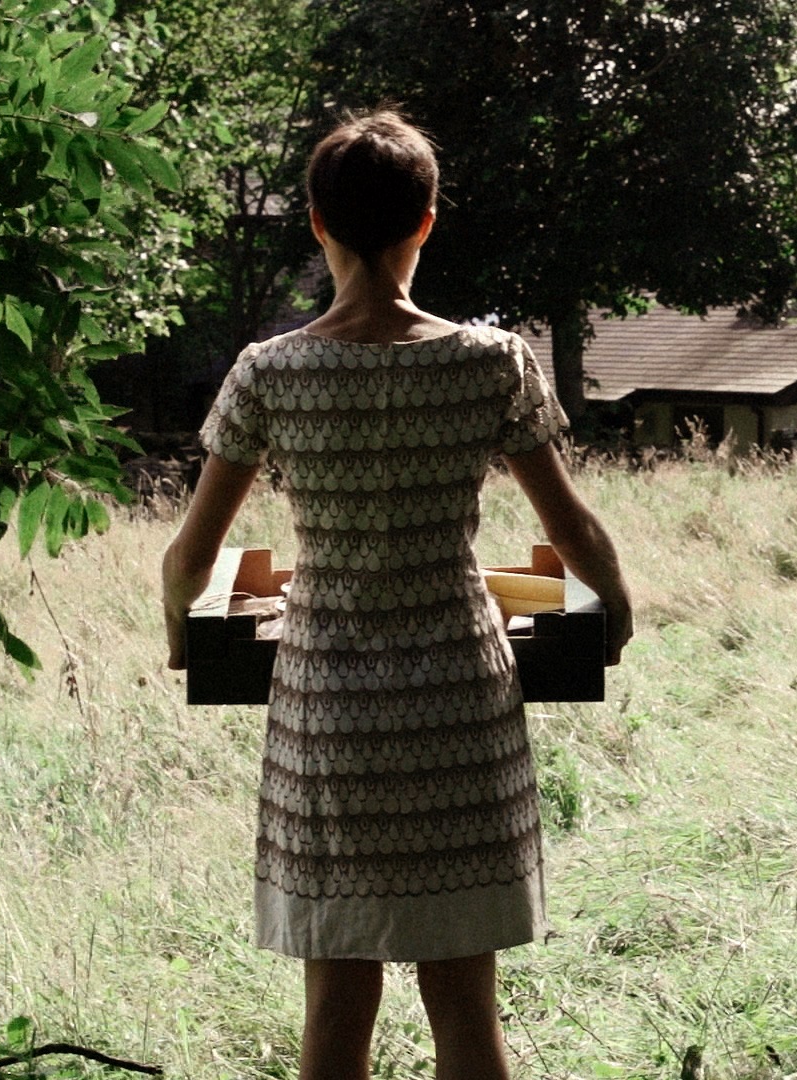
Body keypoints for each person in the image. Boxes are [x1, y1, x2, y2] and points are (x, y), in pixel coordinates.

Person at [160, 110, 632, 1080]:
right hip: (459, 702)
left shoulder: (269, 372)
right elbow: (575, 530)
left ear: (316, 223)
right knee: (464, 1005)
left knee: (337, 1004)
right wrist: (615, 612)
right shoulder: (492, 361)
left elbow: (189, 559)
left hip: (328, 711)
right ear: (426, 221)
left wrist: (180, 632)